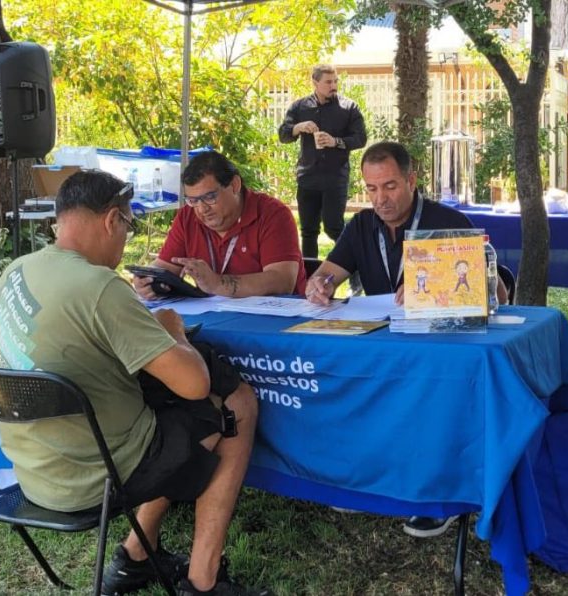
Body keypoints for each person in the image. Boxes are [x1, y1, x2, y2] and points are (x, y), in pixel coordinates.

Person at [0, 170, 269, 596]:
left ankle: (136, 555)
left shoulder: (16, 271)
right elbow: (194, 384)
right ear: (112, 220)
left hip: (33, 472)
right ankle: (204, 581)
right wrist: (172, 329)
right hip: (96, 476)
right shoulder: (100, 286)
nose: (124, 240)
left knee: (159, 411)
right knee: (236, 403)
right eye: (128, 226)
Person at [305, 141, 506, 539]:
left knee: (432, 393)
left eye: (391, 186)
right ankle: (361, 478)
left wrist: (443, 285)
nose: (381, 199)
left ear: (412, 181)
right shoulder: (361, 225)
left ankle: (436, 497)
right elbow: (329, 272)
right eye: (372, 189)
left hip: (440, 348)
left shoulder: (449, 221)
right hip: (385, 343)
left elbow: (495, 292)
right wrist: (319, 284)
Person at [132, 151, 305, 299]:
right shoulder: (187, 216)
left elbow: (282, 282)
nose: (201, 209)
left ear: (235, 185)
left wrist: (217, 284)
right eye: (193, 200)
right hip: (212, 320)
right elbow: (166, 267)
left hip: (273, 322)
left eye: (209, 197)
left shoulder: (272, 214)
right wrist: (148, 279)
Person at [278, 64, 368, 259]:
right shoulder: (300, 107)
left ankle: (355, 266)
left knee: (334, 227)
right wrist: (298, 127)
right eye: (328, 82)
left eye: (335, 81)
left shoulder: (348, 107)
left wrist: (336, 141)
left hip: (335, 177)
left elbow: (361, 138)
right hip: (307, 177)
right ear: (315, 82)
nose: (333, 85)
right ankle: (310, 275)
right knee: (308, 231)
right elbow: (283, 135)